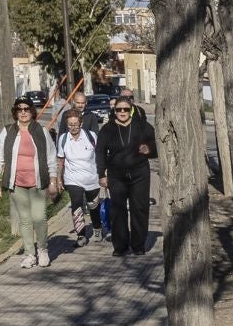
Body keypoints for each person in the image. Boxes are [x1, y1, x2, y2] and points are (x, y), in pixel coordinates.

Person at [0, 97, 60, 268]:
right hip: (17, 182)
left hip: (38, 182)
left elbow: (51, 158)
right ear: (15, 112)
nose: (23, 112)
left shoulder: (41, 131)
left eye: (26, 109)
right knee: (25, 219)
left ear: (32, 111)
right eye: (19, 109)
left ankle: (42, 249)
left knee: (39, 217)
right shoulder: (8, 132)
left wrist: (52, 181)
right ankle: (30, 254)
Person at [96, 95, 157, 256]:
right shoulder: (107, 129)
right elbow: (100, 152)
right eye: (118, 109)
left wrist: (149, 150)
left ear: (130, 110)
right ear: (114, 111)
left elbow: (156, 144)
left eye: (125, 109)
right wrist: (101, 174)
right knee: (118, 211)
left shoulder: (142, 126)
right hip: (116, 175)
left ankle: (138, 245)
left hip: (139, 174)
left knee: (140, 208)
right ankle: (120, 246)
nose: (122, 112)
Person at [55, 107, 100, 244]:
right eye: (70, 125)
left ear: (81, 123)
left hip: (92, 178)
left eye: (75, 124)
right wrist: (58, 179)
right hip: (72, 179)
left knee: (93, 206)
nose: (73, 127)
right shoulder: (63, 139)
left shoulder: (91, 136)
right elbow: (61, 161)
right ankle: (81, 235)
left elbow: (100, 156)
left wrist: (104, 174)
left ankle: (97, 228)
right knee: (77, 205)